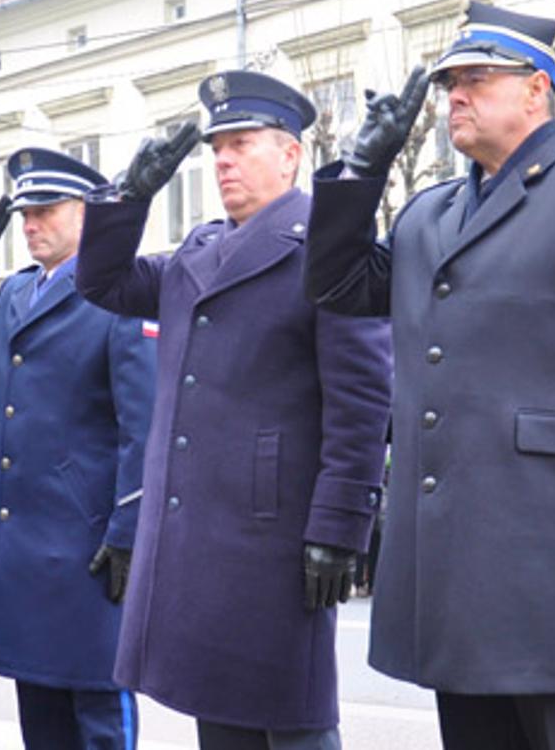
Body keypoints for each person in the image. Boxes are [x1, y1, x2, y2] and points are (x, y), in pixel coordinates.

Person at [302, 1, 555, 750]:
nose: (455, 95)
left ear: (536, 90)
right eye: (451, 81)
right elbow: (336, 286)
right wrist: (362, 170)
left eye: (476, 79)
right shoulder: (431, 213)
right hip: (457, 565)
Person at [79, 70, 392, 750]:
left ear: (289, 154)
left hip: (277, 534)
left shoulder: (324, 250)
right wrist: (131, 194)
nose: (221, 159)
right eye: (215, 147)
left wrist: (340, 527)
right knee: (218, 721)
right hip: (197, 537)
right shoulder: (199, 251)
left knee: (294, 725)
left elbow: (362, 400)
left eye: (241, 143)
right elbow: (102, 280)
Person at [0, 145, 156, 749]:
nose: (30, 225)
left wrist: (129, 530)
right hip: (25, 545)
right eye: (24, 213)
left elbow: (145, 425)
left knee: (100, 709)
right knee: (42, 713)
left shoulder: (119, 295)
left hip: (88, 544)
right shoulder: (15, 293)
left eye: (46, 211)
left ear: (87, 213)